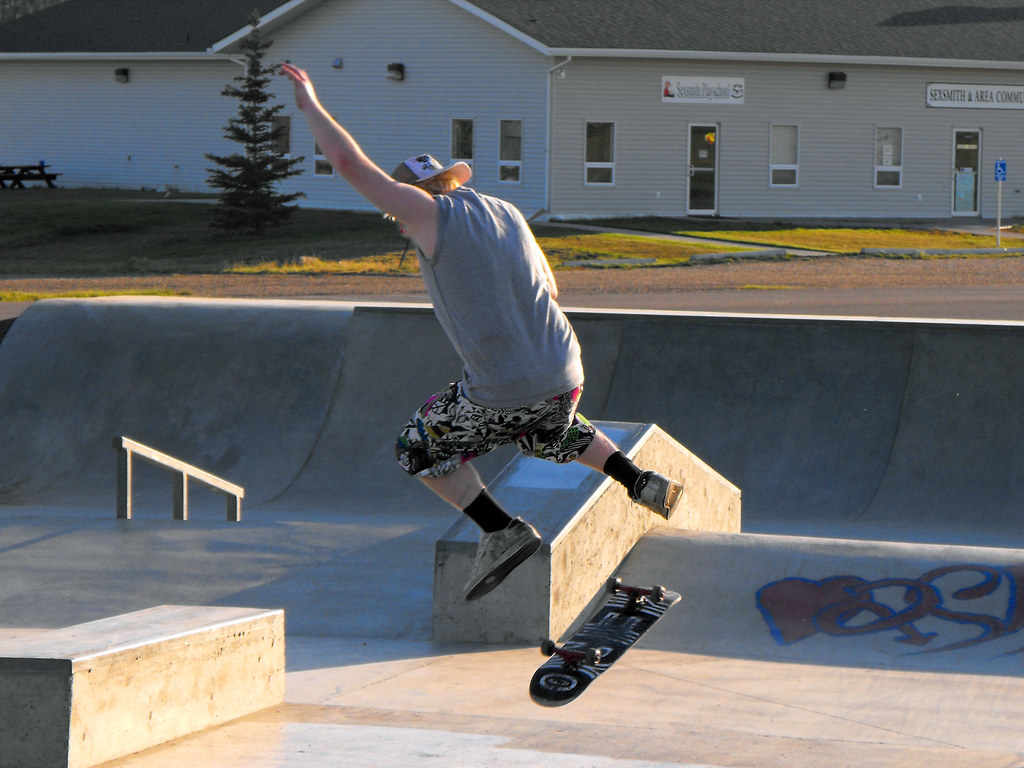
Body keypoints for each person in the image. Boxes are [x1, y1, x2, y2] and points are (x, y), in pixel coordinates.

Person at [281, 63, 683, 601]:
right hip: (566, 369)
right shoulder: (507, 211)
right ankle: (639, 480)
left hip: (506, 386)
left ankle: (501, 531)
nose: (399, 225)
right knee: (547, 431)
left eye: (396, 215)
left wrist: (309, 105)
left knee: (417, 450)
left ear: (420, 194)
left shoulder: (429, 214)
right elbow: (552, 289)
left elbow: (350, 163)